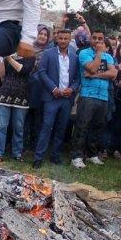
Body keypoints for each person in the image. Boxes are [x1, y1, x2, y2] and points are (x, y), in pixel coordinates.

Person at [33, 29, 79, 169]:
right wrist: (53, 89)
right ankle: (38, 157)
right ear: (56, 39)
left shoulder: (74, 57)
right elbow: (41, 72)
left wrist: (72, 89)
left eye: (66, 39)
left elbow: (77, 78)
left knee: (61, 128)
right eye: (61, 38)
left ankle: (55, 156)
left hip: (66, 98)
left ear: (70, 39)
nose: (63, 41)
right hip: (51, 97)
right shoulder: (48, 54)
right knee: (46, 126)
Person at [70, 30, 116, 169]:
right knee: (82, 126)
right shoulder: (84, 53)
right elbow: (91, 68)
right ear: (90, 39)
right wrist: (98, 54)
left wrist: (95, 75)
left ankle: (92, 154)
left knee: (97, 126)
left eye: (100, 38)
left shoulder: (108, 56)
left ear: (103, 40)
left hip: (103, 95)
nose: (97, 41)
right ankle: (76, 156)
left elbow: (113, 74)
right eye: (94, 38)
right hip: (88, 94)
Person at [0, 52, 35, 164]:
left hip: (22, 97)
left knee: (18, 127)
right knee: (1, 126)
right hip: (4, 94)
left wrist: (8, 58)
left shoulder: (30, 56)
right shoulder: (9, 53)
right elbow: (1, 75)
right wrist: (2, 60)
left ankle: (17, 153)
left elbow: (23, 70)